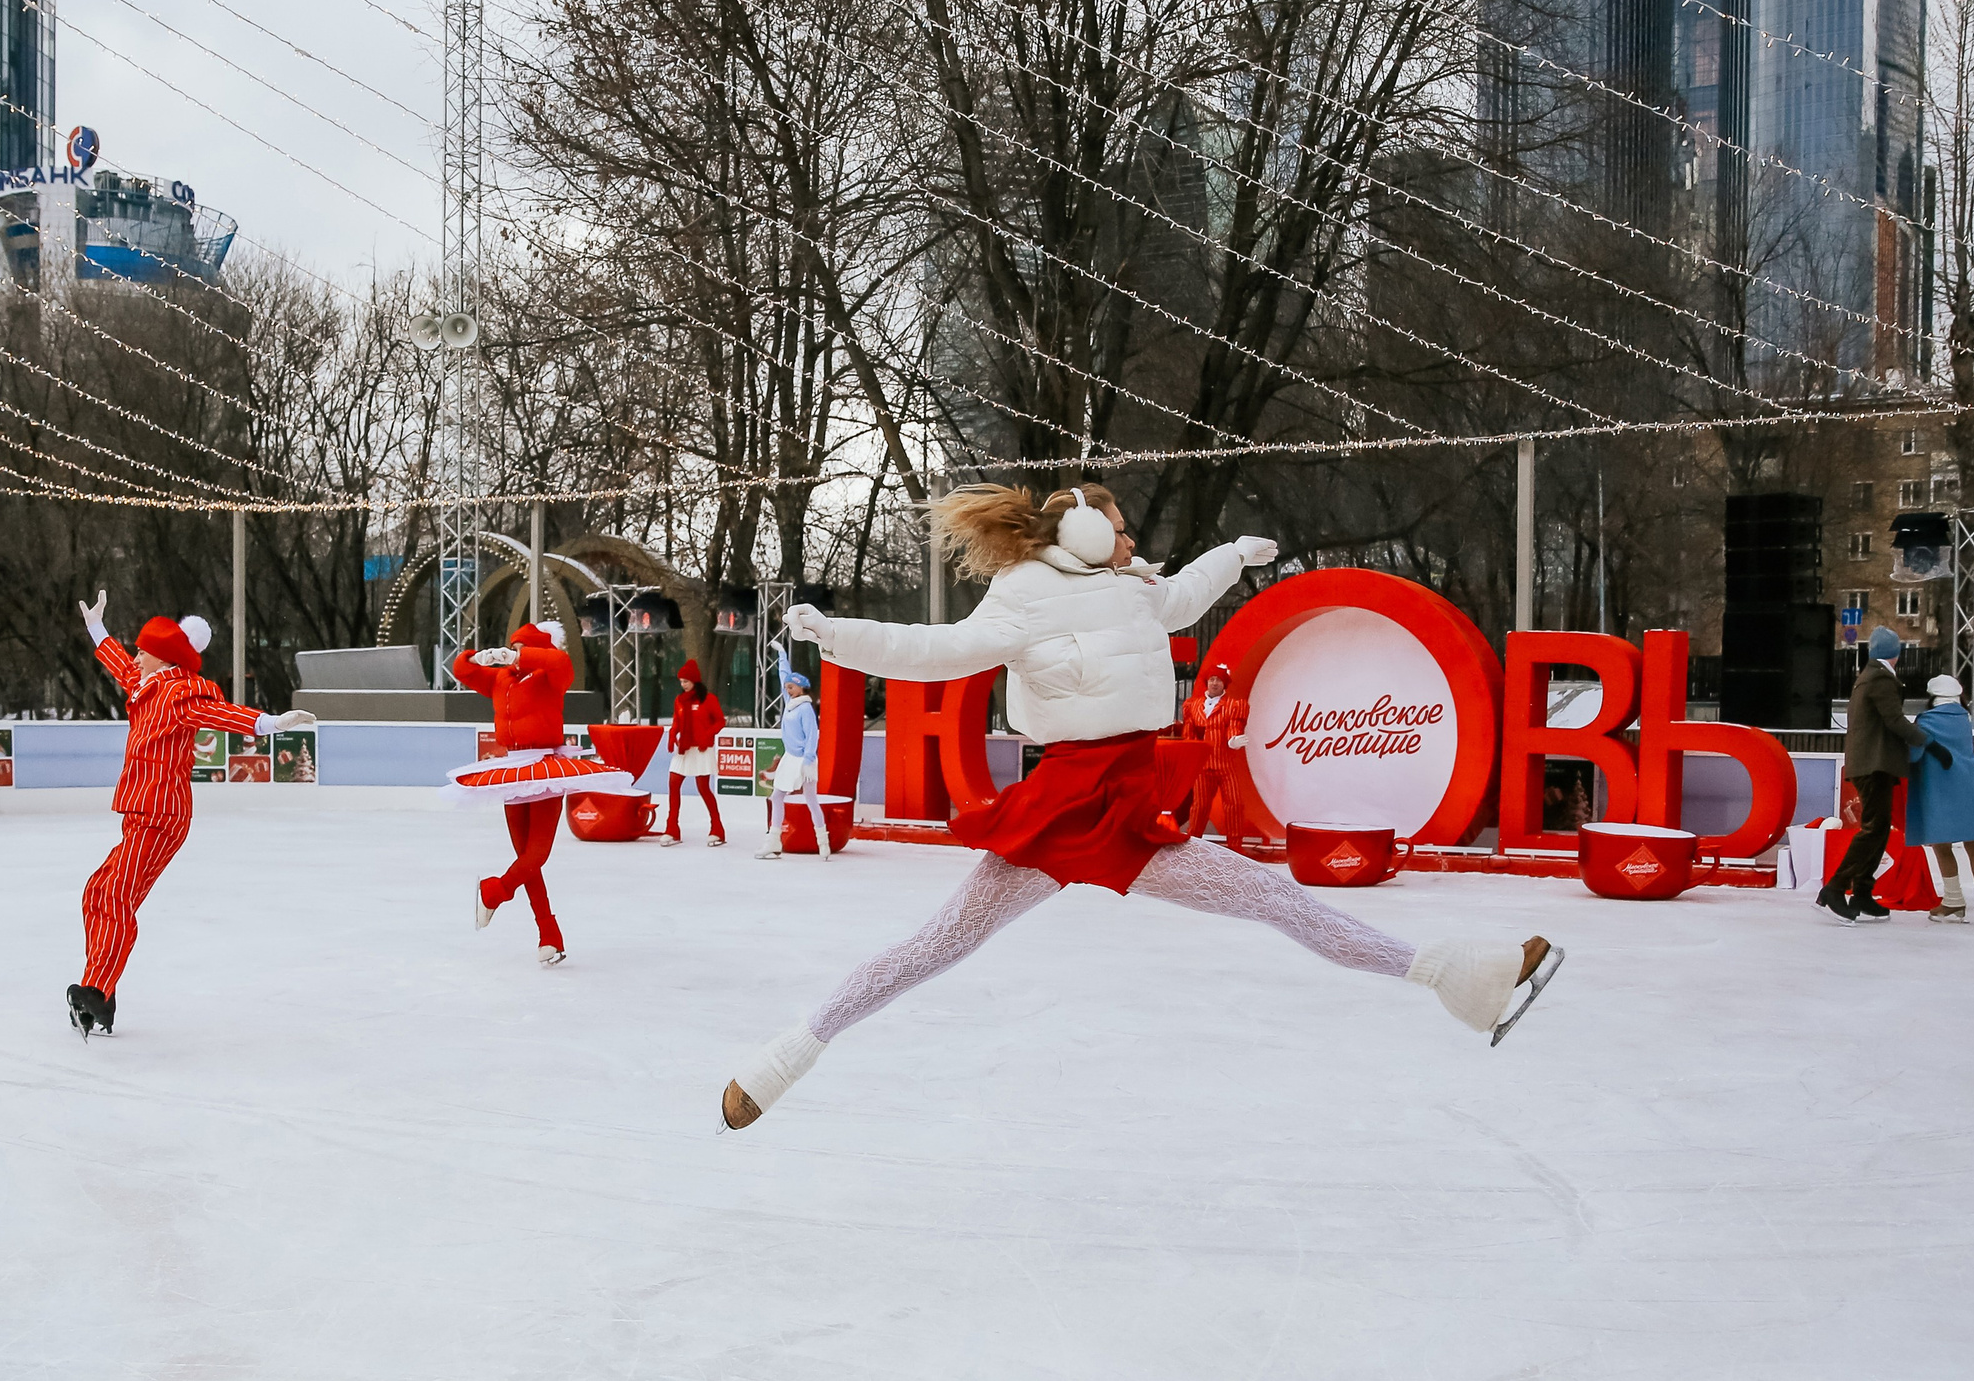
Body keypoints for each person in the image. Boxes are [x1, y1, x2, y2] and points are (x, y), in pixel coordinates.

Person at [718, 483, 1564, 1131]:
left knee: (1277, 899)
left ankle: (1468, 979)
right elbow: (936, 650)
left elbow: (1186, 595)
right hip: (1064, 806)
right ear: (1084, 532)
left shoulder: (1131, 589)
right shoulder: (1024, 596)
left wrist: (1232, 554)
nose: (1132, 541)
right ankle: (781, 1061)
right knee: (936, 944)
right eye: (1120, 529)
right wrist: (839, 635)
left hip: (1130, 804)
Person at [66, 590, 316, 1036]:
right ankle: (99, 989)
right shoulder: (147, 683)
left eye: (143, 649)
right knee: (98, 894)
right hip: (140, 811)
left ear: (162, 658)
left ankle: (99, 992)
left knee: (112, 896)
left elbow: (220, 714)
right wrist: (96, 628)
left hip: (161, 814)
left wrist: (269, 723)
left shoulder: (179, 693)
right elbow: (120, 664)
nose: (136, 655)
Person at [446, 620, 635, 965]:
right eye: (512, 648)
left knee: (536, 853)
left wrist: (522, 657)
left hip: (546, 767)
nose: (514, 654)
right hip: (513, 769)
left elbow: (561, 664)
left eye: (520, 648)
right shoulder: (501, 679)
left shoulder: (549, 674)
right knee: (526, 858)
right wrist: (478, 658)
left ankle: (495, 891)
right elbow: (460, 671)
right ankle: (549, 936)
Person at [1824, 625, 1948, 925]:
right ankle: (1835, 888)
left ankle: (1863, 892)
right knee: (1873, 829)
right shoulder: (1880, 677)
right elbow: (1894, 720)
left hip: (1874, 763)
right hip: (1873, 764)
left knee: (1878, 829)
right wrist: (1929, 743)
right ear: (1895, 654)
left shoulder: (1870, 675)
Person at [1908, 674, 1974, 925]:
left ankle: (1953, 900)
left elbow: (1913, 755)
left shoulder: (1925, 722)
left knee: (1941, 844)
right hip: (1968, 787)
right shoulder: (1964, 720)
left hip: (1938, 789)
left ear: (1932, 697)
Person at [756, 647, 829, 860]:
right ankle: (773, 840)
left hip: (803, 759)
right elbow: (782, 676)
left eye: (791, 687)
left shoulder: (805, 709)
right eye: (787, 687)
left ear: (801, 688)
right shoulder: (790, 704)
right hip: (789, 757)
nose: (787, 690)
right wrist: (782, 657)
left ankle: (823, 842)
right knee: (777, 796)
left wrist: (808, 759)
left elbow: (813, 735)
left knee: (811, 800)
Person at [1179, 663, 1249, 847]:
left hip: (1225, 764)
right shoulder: (1193, 706)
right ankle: (1192, 843)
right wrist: (1189, 754)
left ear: (1225, 684)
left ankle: (1235, 846)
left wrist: (1232, 740)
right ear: (1206, 682)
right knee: (1199, 807)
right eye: (1212, 679)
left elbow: (1234, 726)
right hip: (1203, 765)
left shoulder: (1233, 705)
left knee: (1234, 804)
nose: (1215, 683)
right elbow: (1189, 734)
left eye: (1218, 680)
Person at [662, 660, 727, 848]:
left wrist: (707, 735)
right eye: (681, 682)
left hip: (702, 748)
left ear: (695, 681)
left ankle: (717, 829)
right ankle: (672, 829)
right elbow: (676, 721)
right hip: (684, 747)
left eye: (686, 681)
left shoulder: (708, 699)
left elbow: (720, 721)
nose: (683, 685)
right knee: (673, 783)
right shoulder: (679, 700)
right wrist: (672, 734)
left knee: (703, 788)